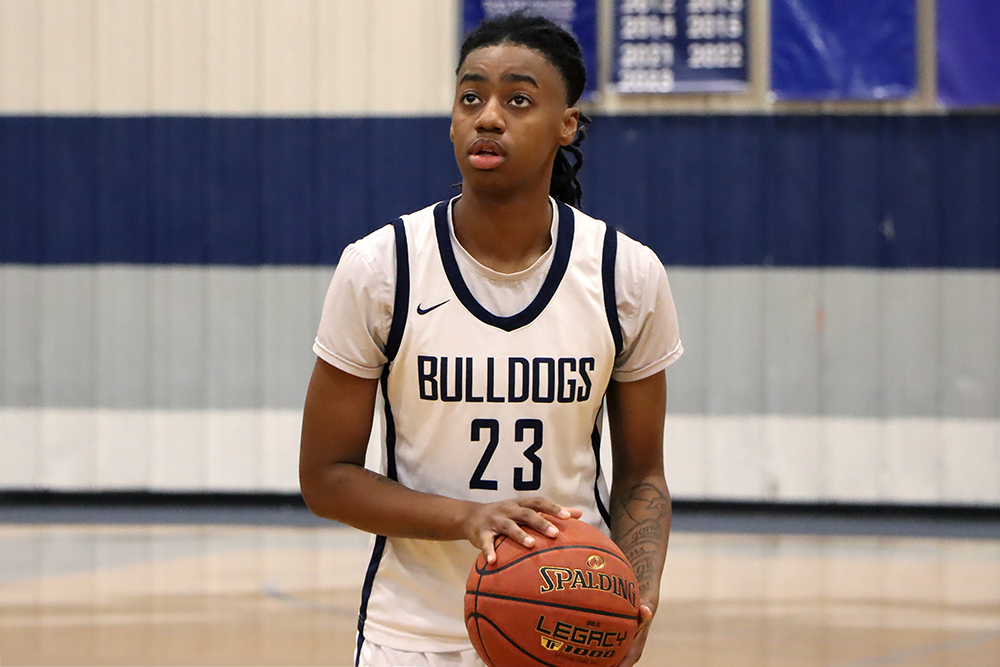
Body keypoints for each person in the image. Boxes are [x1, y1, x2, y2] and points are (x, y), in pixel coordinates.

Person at [299, 12, 682, 667]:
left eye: (518, 99)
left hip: (567, 620)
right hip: (411, 634)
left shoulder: (626, 273)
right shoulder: (380, 267)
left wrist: (635, 595)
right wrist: (468, 517)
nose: (488, 116)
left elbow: (642, 473)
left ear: (568, 124)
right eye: (470, 97)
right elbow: (325, 477)